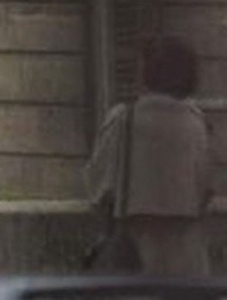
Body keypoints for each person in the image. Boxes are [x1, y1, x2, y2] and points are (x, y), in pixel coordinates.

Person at [85, 35, 213, 275]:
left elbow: (99, 187)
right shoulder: (197, 123)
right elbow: (204, 188)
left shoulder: (123, 119)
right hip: (187, 255)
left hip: (132, 249)